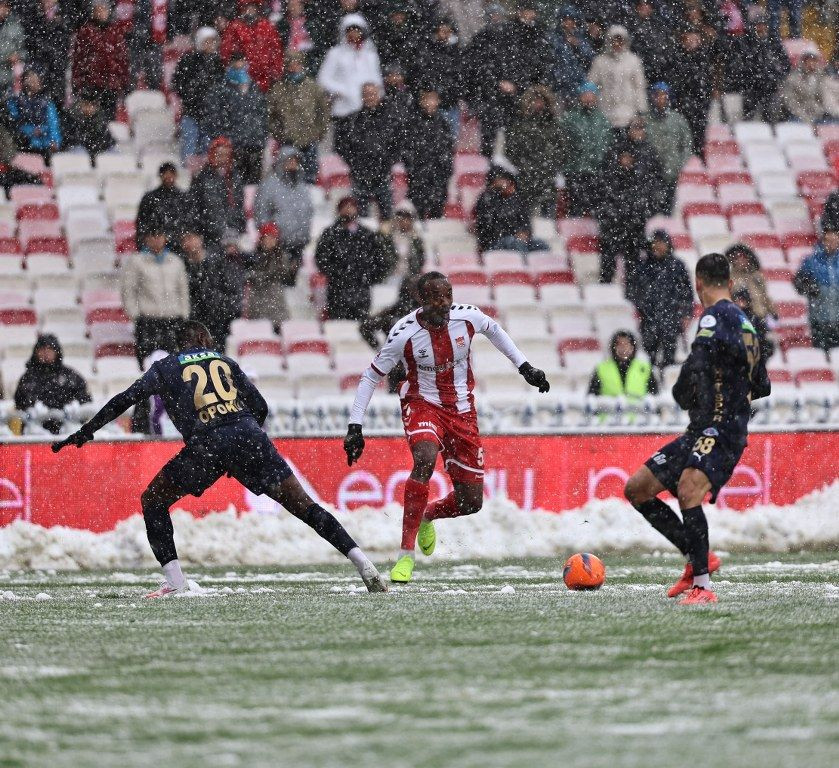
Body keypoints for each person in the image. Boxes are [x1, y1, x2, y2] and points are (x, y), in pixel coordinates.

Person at [51, 320, 388, 596]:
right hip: (249, 437)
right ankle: (363, 564)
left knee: (153, 499)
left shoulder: (165, 367)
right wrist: (242, 444)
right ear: (202, 339)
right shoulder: (225, 362)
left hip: (208, 444)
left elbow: (124, 399)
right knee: (305, 507)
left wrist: (88, 429)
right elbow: (261, 408)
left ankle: (176, 582)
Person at [343, 271, 551, 583]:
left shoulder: (467, 318)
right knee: (424, 458)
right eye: (436, 297)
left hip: (462, 410)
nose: (444, 303)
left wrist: (525, 367)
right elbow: (372, 375)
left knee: (471, 502)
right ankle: (405, 557)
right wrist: (355, 425)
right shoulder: (403, 333)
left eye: (448, 296)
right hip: (421, 402)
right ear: (421, 300)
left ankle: (428, 515)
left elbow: (495, 331)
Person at [624, 253, 771, 605]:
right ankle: (695, 559)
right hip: (703, 429)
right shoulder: (746, 324)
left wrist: (692, 389)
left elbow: (699, 366)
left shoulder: (712, 317)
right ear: (731, 283)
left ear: (698, 284)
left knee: (689, 490)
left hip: (720, 429)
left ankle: (703, 586)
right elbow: (763, 385)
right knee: (638, 488)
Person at [314, 195, 393, 320]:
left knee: (361, 328)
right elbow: (321, 259)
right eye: (345, 207)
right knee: (339, 328)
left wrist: (370, 277)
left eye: (351, 206)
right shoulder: (330, 233)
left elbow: (381, 260)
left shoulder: (367, 234)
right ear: (339, 210)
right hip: (337, 291)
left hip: (362, 291)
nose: (349, 210)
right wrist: (337, 274)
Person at [317, 14, 382, 162]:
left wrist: (377, 99)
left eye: (357, 30)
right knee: (343, 152)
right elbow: (323, 79)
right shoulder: (335, 54)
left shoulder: (370, 55)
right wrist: (344, 90)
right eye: (350, 30)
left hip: (366, 111)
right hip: (343, 112)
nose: (354, 34)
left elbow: (377, 79)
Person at [121, 227, 190, 365]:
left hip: (173, 319)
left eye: (160, 236)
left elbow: (183, 291)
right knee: (148, 365)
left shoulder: (175, 262)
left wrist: (184, 315)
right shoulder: (137, 262)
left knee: (175, 364)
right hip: (148, 321)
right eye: (153, 236)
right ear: (146, 239)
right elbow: (128, 290)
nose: (156, 240)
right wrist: (136, 315)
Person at [596, 137, 659, 286]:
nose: (626, 161)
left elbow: (644, 203)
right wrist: (612, 218)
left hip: (633, 231)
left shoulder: (639, 180)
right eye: (623, 157)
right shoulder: (609, 178)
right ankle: (606, 293)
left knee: (633, 270)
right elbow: (603, 203)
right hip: (613, 230)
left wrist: (636, 218)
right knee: (607, 268)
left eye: (629, 157)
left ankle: (631, 295)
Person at [630, 231, 694, 367]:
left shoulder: (677, 266)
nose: (658, 246)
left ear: (668, 245)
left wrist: (686, 313)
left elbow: (687, 293)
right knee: (648, 360)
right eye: (655, 242)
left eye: (661, 242)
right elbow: (634, 292)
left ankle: (667, 383)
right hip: (649, 319)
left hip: (671, 318)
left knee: (669, 358)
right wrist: (645, 307)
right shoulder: (643, 266)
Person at [266, 50, 330, 184]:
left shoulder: (312, 87)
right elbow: (271, 115)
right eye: (290, 63)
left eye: (297, 63)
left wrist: (318, 132)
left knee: (310, 177)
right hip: (287, 140)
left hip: (309, 140)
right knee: (286, 177)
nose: (294, 67)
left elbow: (322, 112)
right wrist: (279, 134)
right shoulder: (278, 88)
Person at [203, 53, 268, 184]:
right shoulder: (220, 89)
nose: (240, 67)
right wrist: (225, 138)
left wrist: (261, 136)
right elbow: (214, 116)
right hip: (233, 145)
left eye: (242, 64)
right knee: (235, 183)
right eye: (236, 64)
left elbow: (262, 114)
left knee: (253, 185)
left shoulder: (254, 88)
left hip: (254, 144)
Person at [14, 334, 91, 434]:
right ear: (36, 352)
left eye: (50, 349)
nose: (46, 353)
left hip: (67, 430)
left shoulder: (69, 375)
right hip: (36, 431)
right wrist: (32, 406)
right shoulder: (28, 377)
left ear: (57, 352)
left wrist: (76, 404)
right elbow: (20, 399)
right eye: (42, 349)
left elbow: (85, 397)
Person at [343, 82, 398, 219]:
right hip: (360, 175)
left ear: (379, 95)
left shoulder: (389, 118)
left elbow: (398, 144)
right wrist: (355, 163)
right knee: (361, 218)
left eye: (373, 94)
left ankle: (385, 239)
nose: (370, 97)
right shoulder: (353, 119)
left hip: (383, 173)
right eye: (367, 94)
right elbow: (344, 146)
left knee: (387, 216)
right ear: (362, 97)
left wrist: (387, 162)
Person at [504, 84, 562, 216]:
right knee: (527, 218)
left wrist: (551, 164)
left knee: (547, 220)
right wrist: (524, 166)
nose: (538, 104)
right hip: (526, 180)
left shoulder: (553, 125)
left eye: (541, 100)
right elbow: (511, 149)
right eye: (535, 100)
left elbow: (562, 149)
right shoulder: (520, 125)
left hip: (547, 179)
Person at [558, 82, 613, 217]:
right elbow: (561, 144)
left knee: (596, 209)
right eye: (585, 95)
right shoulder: (569, 119)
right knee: (576, 208)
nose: (588, 98)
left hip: (597, 171)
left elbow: (607, 145)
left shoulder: (603, 120)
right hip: (574, 170)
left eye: (591, 95)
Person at [70, 0, 130, 120]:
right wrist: (78, 83)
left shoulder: (115, 31)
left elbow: (122, 59)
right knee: (92, 121)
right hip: (91, 85)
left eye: (104, 9)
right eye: (98, 9)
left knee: (108, 121)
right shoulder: (85, 32)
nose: (101, 12)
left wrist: (123, 81)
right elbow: (78, 59)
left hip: (111, 85)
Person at [172, 26, 225, 160]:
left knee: (206, 151)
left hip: (210, 115)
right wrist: (191, 94)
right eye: (207, 41)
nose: (211, 45)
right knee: (189, 147)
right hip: (191, 112)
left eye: (213, 41)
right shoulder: (188, 60)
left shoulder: (218, 63)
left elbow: (222, 87)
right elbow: (178, 83)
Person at [254, 146, 313, 266]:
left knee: (292, 280)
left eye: (295, 161)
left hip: (298, 244)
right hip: (276, 245)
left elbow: (308, 212)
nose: (292, 164)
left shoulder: (301, 186)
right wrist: (269, 234)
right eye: (289, 160)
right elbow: (261, 213)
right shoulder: (269, 186)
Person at [185, 136, 246, 248]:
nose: (223, 159)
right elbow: (194, 208)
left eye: (226, 155)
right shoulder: (202, 178)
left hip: (234, 237)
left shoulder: (234, 177)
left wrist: (235, 231)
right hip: (210, 236)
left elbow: (239, 207)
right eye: (220, 155)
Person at [402, 88, 453, 220]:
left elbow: (448, 148)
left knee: (437, 213)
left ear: (438, 102)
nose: (429, 103)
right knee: (417, 213)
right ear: (421, 102)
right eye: (426, 100)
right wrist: (414, 167)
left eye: (433, 99)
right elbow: (407, 149)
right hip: (419, 176)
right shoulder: (413, 123)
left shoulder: (444, 123)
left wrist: (445, 168)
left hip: (438, 176)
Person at [474, 167, 548, 254]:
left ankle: (542, 266)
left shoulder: (517, 199)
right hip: (495, 242)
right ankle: (523, 266)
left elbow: (526, 221)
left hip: (517, 239)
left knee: (541, 245)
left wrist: (524, 232)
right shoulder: (487, 198)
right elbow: (486, 226)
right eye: (503, 180)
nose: (507, 184)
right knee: (515, 243)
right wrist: (514, 234)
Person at [645, 83, 694, 214]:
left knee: (668, 209)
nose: (661, 99)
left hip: (671, 172)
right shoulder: (646, 120)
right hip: (650, 173)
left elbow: (687, 144)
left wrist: (680, 163)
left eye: (664, 95)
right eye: (657, 95)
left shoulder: (677, 120)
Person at [412, 15, 464, 138]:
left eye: (448, 31)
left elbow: (460, 75)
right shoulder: (427, 49)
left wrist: (453, 92)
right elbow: (422, 72)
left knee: (450, 138)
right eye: (442, 31)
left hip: (450, 102)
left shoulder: (456, 52)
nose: (445, 34)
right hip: (433, 101)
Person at [587, 25, 647, 128]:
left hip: (629, 113)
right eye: (613, 41)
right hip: (605, 113)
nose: (617, 44)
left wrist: (641, 110)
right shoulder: (600, 61)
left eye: (620, 41)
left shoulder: (633, 61)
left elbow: (639, 87)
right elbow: (591, 85)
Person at [220, 0, 284, 93]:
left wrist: (276, 72)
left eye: (253, 7)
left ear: (257, 9)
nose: (250, 10)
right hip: (241, 79)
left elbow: (276, 50)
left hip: (265, 78)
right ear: (242, 9)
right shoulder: (234, 27)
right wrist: (236, 68)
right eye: (247, 7)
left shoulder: (267, 26)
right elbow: (226, 52)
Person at [246, 222, 300, 329]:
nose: (270, 241)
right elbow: (253, 277)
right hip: (258, 305)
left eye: (273, 237)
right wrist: (271, 274)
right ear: (262, 239)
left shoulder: (281, 256)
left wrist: (293, 271)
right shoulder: (254, 257)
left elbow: (288, 279)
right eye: (268, 237)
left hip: (277, 306)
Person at [793, 226, 839, 350]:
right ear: (823, 241)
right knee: (821, 356)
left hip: (837, 317)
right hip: (819, 319)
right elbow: (799, 283)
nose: (832, 244)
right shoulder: (811, 261)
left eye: (835, 240)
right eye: (828, 240)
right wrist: (811, 286)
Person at [738, 9, 789, 121]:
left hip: (771, 85)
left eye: (764, 25)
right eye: (759, 25)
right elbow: (742, 65)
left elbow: (785, 64)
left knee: (771, 117)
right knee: (748, 118)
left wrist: (776, 76)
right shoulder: (746, 42)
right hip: (751, 86)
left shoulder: (774, 42)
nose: (762, 28)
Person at [669, 27, 713, 156]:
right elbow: (676, 81)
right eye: (690, 38)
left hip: (699, 106)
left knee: (698, 138)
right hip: (682, 104)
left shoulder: (703, 57)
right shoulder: (677, 57)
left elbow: (705, 83)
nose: (693, 41)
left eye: (696, 39)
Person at [5, 68, 61, 159]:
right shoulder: (16, 101)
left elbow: (53, 123)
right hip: (24, 142)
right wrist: (30, 131)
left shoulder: (46, 102)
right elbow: (14, 121)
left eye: (36, 79)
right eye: (30, 79)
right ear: (24, 82)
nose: (34, 82)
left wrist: (54, 140)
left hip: (44, 144)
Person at [587, 330, 657, 397]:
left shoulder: (645, 368)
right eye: (620, 344)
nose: (623, 348)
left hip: (638, 409)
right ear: (614, 347)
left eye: (626, 344)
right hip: (609, 409)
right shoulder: (601, 368)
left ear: (633, 347)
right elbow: (591, 398)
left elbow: (655, 397)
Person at [552, 4, 595, 106]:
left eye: (571, 19)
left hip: (579, 86)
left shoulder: (582, 39)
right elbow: (550, 59)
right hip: (559, 87)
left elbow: (592, 58)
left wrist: (578, 46)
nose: (568, 22)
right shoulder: (554, 38)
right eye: (565, 19)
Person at [136, 162, 184, 250]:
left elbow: (185, 224)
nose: (168, 176)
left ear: (176, 175)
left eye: (171, 173)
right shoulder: (149, 198)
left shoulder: (184, 198)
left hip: (178, 246)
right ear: (160, 175)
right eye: (165, 173)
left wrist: (168, 238)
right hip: (153, 245)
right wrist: (151, 239)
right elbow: (141, 223)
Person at [725, 244, 777, 323]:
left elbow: (764, 296)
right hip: (741, 318)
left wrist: (773, 312)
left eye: (743, 257)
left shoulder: (756, 276)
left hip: (760, 317)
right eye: (736, 258)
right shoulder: (730, 278)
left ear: (748, 258)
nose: (740, 260)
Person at [380, 200, 425, 284]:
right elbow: (382, 260)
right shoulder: (387, 237)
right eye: (401, 217)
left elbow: (420, 260)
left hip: (410, 280)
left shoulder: (416, 239)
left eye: (407, 218)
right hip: (389, 279)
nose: (404, 221)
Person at [63, 90, 115, 160]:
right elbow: (69, 138)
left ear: (96, 107)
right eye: (85, 104)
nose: (88, 108)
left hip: (97, 155)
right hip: (74, 156)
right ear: (80, 104)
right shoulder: (72, 118)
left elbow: (106, 142)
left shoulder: (101, 120)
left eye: (91, 105)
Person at [780, 52, 829, 124]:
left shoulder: (820, 77)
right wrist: (803, 115)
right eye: (809, 61)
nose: (812, 64)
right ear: (804, 62)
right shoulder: (793, 78)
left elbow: (823, 98)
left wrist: (821, 111)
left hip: (818, 114)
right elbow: (790, 101)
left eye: (814, 61)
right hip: (798, 115)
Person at [0, 0, 26, 96]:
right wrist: (5, 58)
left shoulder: (15, 27)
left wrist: (18, 57)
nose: (4, 10)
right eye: (1, 6)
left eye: (6, 6)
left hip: (10, 80)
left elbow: (24, 51)